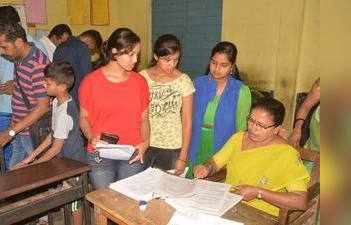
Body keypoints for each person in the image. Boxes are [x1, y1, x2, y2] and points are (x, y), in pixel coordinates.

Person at [194, 98, 310, 217]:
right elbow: (215, 162)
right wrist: (206, 168)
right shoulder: (238, 139)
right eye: (251, 120)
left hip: (261, 214)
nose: (252, 128)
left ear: (276, 129)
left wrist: (259, 193)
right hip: (228, 205)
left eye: (260, 125)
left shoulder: (286, 154)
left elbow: (300, 201)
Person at [12, 61, 86, 225]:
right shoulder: (56, 101)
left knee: (75, 203)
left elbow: (55, 148)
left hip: (74, 164)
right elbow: (53, 134)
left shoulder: (64, 113)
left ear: (62, 86)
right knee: (67, 198)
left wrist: (33, 165)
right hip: (64, 161)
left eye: (48, 82)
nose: (43, 84)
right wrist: (32, 155)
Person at [78, 28, 150, 189]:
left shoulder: (140, 82)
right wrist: (90, 136)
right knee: (105, 203)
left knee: (127, 203)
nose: (136, 59)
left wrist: (145, 143)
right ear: (114, 52)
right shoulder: (91, 82)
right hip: (100, 153)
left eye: (137, 54)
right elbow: (83, 118)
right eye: (131, 54)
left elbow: (144, 118)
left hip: (132, 151)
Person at [0, 5, 49, 169]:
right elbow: (22, 96)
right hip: (21, 131)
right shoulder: (20, 59)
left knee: (36, 176)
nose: (1, 52)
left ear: (19, 41)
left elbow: (43, 106)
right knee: (15, 174)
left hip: (33, 133)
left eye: (4, 47)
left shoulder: (36, 63)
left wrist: (11, 132)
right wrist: (12, 128)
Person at [186, 41, 251, 178]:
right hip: (196, 143)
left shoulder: (241, 91)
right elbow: (187, 117)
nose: (216, 68)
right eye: (213, 63)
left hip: (223, 146)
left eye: (223, 65)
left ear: (232, 67)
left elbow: (241, 129)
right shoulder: (197, 83)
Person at [139, 34, 194, 174]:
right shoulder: (142, 78)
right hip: (146, 144)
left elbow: (187, 120)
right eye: (167, 60)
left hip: (172, 146)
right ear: (156, 56)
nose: (171, 64)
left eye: (175, 60)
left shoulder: (183, 80)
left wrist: (183, 156)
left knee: (166, 192)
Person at [53, 24, 92, 104]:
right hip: (77, 98)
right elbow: (87, 76)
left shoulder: (59, 48)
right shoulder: (83, 48)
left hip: (60, 96)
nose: (91, 51)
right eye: (92, 48)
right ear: (89, 41)